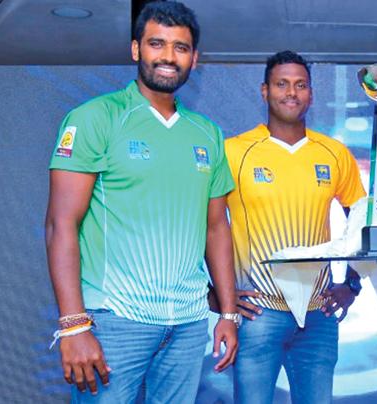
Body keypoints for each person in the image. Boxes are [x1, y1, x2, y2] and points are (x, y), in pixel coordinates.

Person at [44, 2, 239, 402]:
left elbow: (217, 227)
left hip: (187, 325)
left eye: (180, 48)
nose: (168, 56)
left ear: (195, 59)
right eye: (157, 44)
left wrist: (228, 313)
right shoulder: (95, 118)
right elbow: (60, 225)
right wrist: (73, 325)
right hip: (115, 321)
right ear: (136, 50)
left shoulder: (207, 134)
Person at [224, 50, 366, 404]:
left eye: (300, 85)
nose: (291, 92)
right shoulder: (233, 152)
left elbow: (362, 220)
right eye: (282, 84)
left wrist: (350, 281)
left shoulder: (334, 153)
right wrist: (217, 294)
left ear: (311, 94)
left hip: (318, 315)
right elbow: (205, 225)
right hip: (259, 313)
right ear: (264, 91)